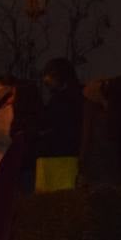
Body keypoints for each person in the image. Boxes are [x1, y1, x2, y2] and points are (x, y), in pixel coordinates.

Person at [37, 58, 83, 192]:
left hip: (64, 155)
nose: (47, 80)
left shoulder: (68, 99)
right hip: (58, 154)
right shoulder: (62, 98)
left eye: (51, 75)